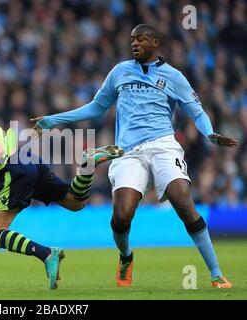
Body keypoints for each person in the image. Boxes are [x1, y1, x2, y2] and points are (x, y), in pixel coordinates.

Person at [31, 24, 239, 289]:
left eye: (141, 39)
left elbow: (196, 111)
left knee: (181, 200)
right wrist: (52, 120)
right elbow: (96, 107)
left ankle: (215, 272)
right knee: (122, 215)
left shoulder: (174, 76)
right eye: (132, 40)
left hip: (164, 145)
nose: (135, 44)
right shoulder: (119, 72)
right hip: (128, 151)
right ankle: (126, 256)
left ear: (155, 42)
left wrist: (209, 133)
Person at [0, 81, 123, 290]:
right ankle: (88, 164)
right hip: (25, 160)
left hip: (11, 169)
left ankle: (46, 255)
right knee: (75, 202)